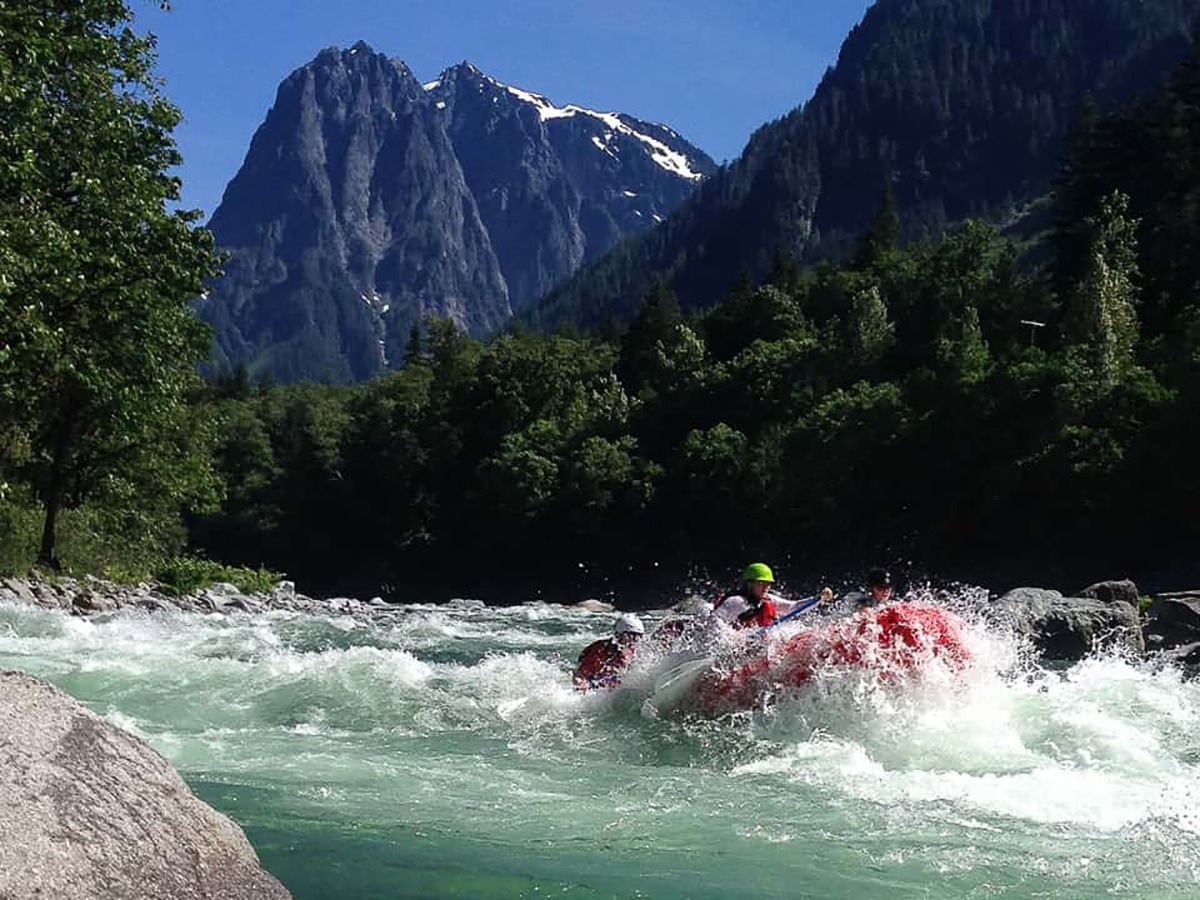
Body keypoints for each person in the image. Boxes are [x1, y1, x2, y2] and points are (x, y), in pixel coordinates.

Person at [713, 564, 831, 629]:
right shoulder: (736, 602)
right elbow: (714, 621)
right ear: (749, 584)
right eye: (760, 583)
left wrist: (818, 598)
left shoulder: (768, 599)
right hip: (734, 647)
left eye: (768, 583)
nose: (766, 587)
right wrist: (734, 637)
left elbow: (793, 607)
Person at [573, 613, 644, 691]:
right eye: (631, 636)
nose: (634, 641)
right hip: (595, 687)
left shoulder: (634, 652)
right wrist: (582, 685)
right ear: (618, 635)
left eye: (638, 637)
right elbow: (579, 676)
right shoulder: (600, 651)